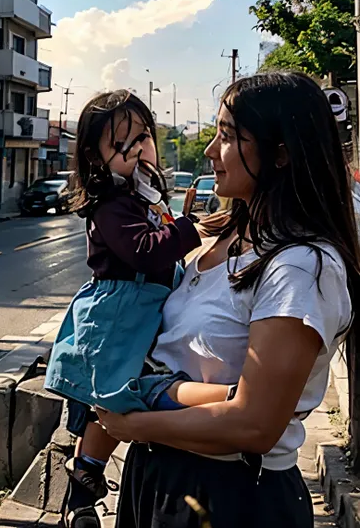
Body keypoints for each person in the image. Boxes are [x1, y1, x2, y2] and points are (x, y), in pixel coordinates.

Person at [95, 72, 359, 528]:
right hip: (158, 478)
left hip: (231, 494)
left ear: (280, 153)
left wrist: (133, 425)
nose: (210, 152)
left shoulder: (299, 268)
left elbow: (253, 425)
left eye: (228, 137)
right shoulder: (221, 233)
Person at [45, 90, 221, 528]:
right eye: (123, 145)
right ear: (95, 155)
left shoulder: (141, 193)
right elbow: (144, 251)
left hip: (145, 306)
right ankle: (83, 487)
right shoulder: (109, 203)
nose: (140, 150)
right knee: (109, 394)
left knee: (116, 394)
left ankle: (85, 481)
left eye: (144, 137)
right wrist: (189, 229)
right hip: (119, 312)